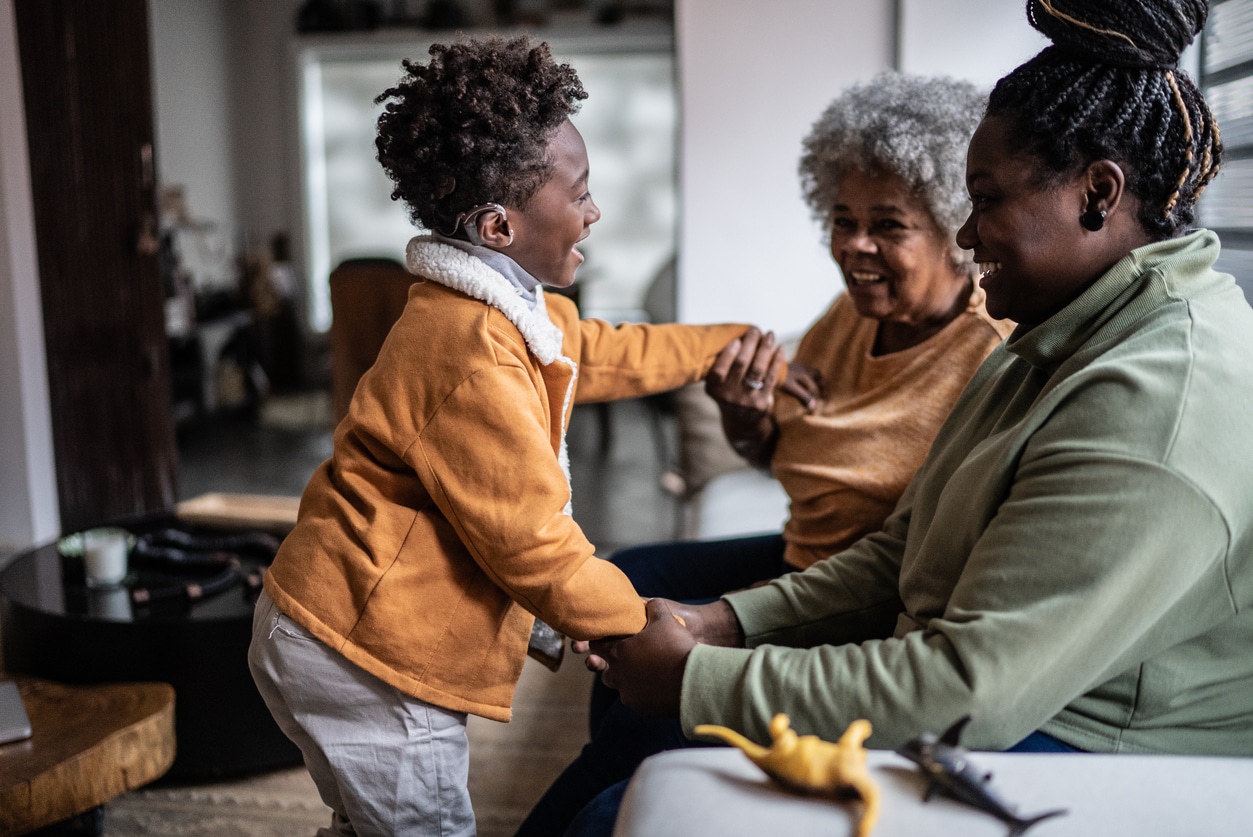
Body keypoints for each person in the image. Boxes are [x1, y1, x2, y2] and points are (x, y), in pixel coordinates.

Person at [548, 0, 1253, 833]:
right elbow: (903, 545)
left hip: (1073, 736)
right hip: (978, 679)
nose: (966, 230)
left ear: (1097, 194)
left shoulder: (1152, 400)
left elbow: (969, 688)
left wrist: (699, 675)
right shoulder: (1061, 334)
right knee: (626, 751)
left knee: (614, 810)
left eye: (983, 200)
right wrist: (723, 619)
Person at [247, 36, 752, 837]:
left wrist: (721, 343)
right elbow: (533, 545)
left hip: (338, 625)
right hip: (359, 649)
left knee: (369, 823)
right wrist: (650, 628)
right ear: (497, 224)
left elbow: (604, 351)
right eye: (579, 192)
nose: (595, 210)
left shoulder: (507, 306)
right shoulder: (469, 350)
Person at [520, 72, 1014, 836]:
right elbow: (779, 450)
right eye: (843, 219)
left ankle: (625, 773)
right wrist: (743, 418)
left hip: (864, 597)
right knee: (631, 581)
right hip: (802, 553)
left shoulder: (988, 358)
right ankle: (626, 754)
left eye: (888, 225)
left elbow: (915, 550)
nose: (855, 246)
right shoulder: (848, 319)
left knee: (633, 723)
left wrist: (733, 619)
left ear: (956, 228)